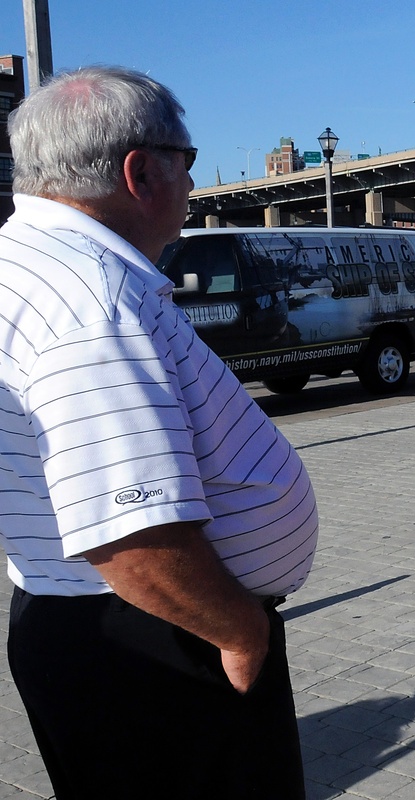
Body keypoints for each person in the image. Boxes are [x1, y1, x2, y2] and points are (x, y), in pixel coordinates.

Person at [0, 66, 319, 799]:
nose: (191, 188)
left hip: (103, 623)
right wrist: (240, 633)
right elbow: (131, 536)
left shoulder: (34, 265)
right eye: (189, 164)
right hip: (157, 635)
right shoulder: (89, 302)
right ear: (141, 172)